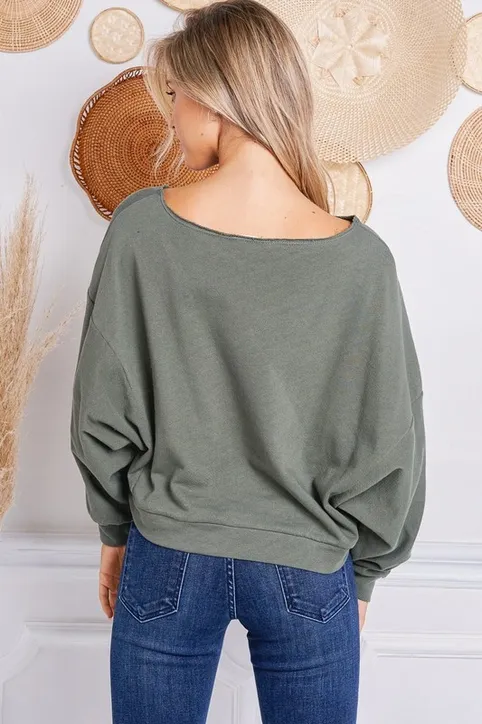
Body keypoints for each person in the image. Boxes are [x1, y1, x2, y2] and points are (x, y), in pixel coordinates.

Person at [69, 1, 426, 722]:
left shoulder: (141, 230)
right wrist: (363, 576)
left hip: (168, 551)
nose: (172, 116)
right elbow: (390, 442)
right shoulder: (362, 261)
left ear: (214, 97)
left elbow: (103, 409)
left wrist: (114, 532)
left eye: (176, 95)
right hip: (309, 565)